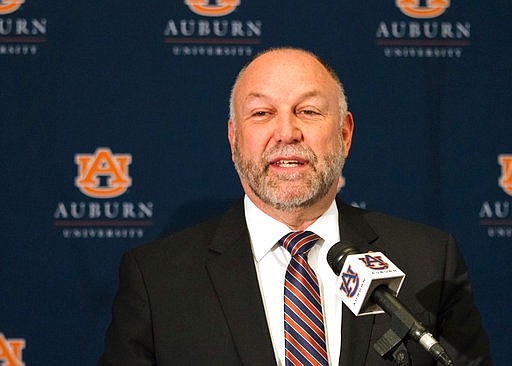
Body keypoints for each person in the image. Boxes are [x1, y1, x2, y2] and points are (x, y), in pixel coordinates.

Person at [98, 47, 492, 365]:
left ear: (345, 133)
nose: (286, 132)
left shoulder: (427, 260)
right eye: (262, 113)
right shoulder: (157, 279)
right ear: (234, 140)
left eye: (308, 111)